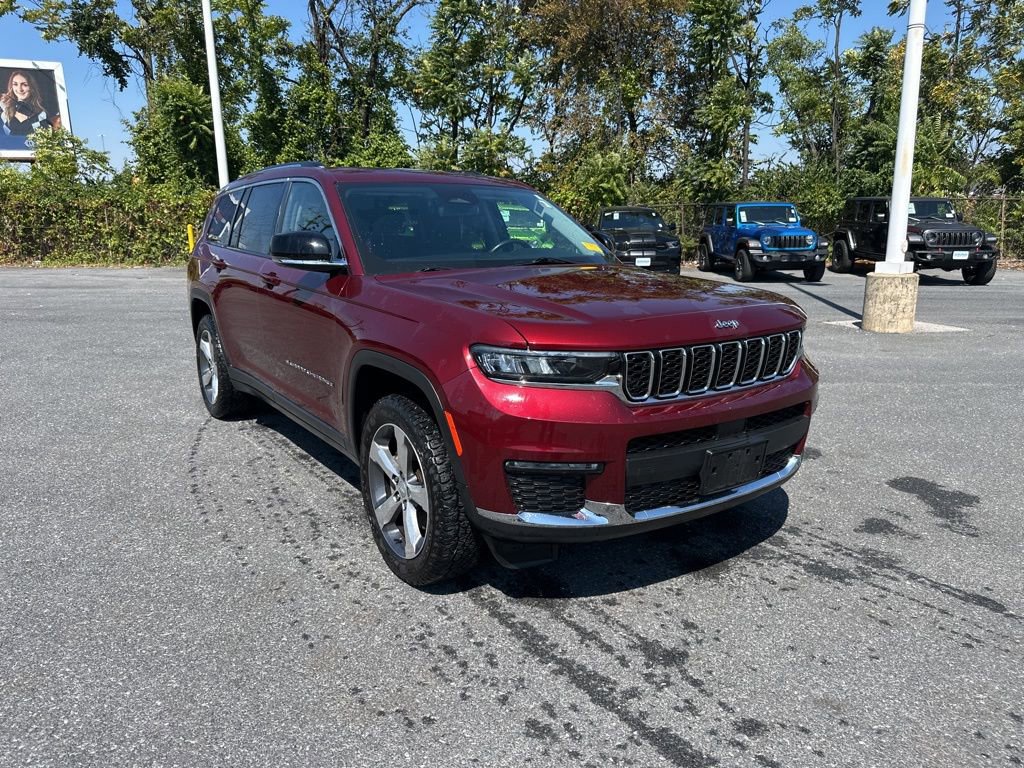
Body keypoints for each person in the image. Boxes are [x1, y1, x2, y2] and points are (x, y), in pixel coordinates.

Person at [1, 70, 60, 139]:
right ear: (11, 86)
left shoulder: (41, 114)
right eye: (15, 84)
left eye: (25, 85)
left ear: (32, 87)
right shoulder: (5, 110)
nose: (19, 89)